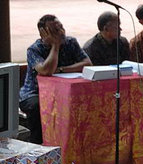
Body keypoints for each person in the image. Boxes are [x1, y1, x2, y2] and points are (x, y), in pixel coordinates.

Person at [21, 15, 91, 144]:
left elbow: (87, 64)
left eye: (61, 27)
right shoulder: (34, 49)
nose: (60, 33)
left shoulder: (71, 42)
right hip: (35, 93)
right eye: (55, 30)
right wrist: (55, 46)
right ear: (43, 34)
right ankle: (37, 144)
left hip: (62, 92)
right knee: (37, 106)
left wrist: (61, 69)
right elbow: (46, 70)